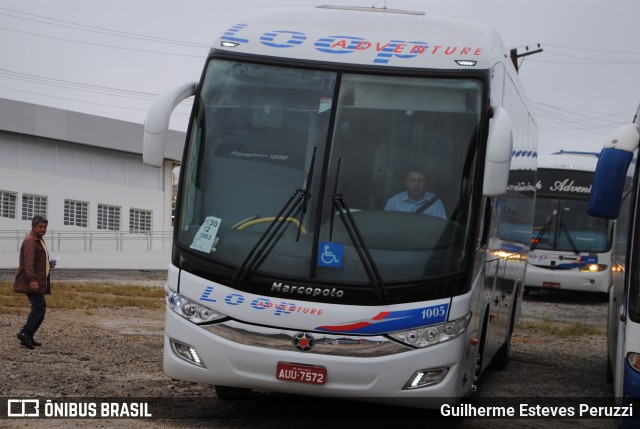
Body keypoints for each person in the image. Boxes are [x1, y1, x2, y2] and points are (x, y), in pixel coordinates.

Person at [13, 215, 56, 350]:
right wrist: (32, 280)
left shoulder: (37, 240)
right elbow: (28, 263)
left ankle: (28, 336)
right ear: (33, 227)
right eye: (40, 227)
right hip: (31, 282)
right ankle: (25, 333)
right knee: (39, 307)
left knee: (39, 307)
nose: (43, 229)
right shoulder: (31, 240)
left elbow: (36, 260)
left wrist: (48, 264)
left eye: (45, 227)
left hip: (34, 281)